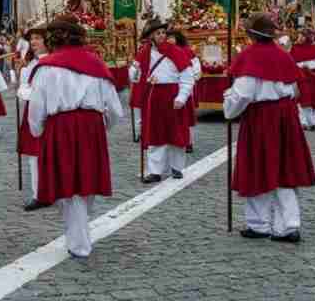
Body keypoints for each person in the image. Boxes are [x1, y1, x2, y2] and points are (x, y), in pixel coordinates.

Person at [27, 15, 123, 259]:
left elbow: (36, 106)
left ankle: (79, 240)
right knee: (85, 180)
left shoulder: (47, 67)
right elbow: (115, 108)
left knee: (68, 182)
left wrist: (37, 130)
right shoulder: (96, 64)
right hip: (91, 127)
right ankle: (79, 231)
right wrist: (103, 126)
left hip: (61, 125)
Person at [223, 14, 315, 243]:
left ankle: (259, 224)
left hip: (261, 118)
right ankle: (288, 225)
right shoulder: (283, 56)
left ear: (252, 34)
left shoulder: (250, 57)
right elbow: (295, 89)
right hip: (286, 117)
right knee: (285, 171)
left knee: (257, 168)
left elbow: (243, 94)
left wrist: (228, 106)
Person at [136, 19, 195, 183]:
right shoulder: (144, 53)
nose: (162, 36)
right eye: (158, 33)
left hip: (173, 95)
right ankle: (155, 170)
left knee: (176, 132)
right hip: (154, 97)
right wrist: (136, 74)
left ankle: (177, 167)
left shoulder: (176, 52)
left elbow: (187, 77)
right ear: (151, 37)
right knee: (156, 134)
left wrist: (182, 96)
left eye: (163, 33)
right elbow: (135, 72)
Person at [17, 24, 48, 211]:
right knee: (34, 155)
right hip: (33, 110)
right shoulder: (31, 64)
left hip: (49, 111)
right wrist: (24, 90)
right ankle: (39, 193)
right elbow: (24, 86)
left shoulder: (52, 62)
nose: (34, 42)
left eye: (38, 38)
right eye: (32, 39)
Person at [289, 32, 315, 132]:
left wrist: (309, 65)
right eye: (299, 36)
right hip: (301, 78)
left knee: (312, 100)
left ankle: (312, 122)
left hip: (313, 78)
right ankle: (304, 122)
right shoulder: (294, 48)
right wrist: (301, 66)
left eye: (302, 36)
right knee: (302, 100)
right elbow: (291, 63)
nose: (300, 38)